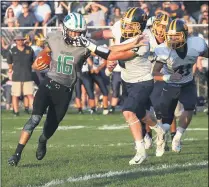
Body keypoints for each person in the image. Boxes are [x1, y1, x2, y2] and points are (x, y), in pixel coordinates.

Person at [79, 7, 167, 165]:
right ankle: (159, 130)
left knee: (127, 112)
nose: (126, 27)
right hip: (129, 82)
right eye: (126, 24)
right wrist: (113, 59)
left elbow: (112, 52)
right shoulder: (130, 36)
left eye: (130, 25)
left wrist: (91, 46)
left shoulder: (144, 40)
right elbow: (113, 51)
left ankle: (141, 151)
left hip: (143, 81)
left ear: (139, 26)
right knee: (141, 113)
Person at [8, 12, 93, 166]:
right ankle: (17, 154)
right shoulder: (55, 39)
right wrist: (38, 62)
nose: (76, 35)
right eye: (73, 31)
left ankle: (42, 140)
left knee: (50, 127)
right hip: (48, 84)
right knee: (34, 119)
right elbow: (45, 52)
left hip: (65, 91)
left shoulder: (86, 46)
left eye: (79, 32)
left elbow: (104, 49)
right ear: (65, 29)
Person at [152, 19, 208, 153]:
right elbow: (154, 73)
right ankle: (160, 138)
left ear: (185, 34)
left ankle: (177, 137)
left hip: (187, 83)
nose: (173, 40)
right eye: (170, 36)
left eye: (176, 36)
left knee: (189, 108)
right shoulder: (163, 50)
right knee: (166, 120)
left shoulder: (196, 44)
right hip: (170, 84)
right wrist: (168, 77)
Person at [7, 33, 35, 116]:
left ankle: (34, 112)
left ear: (24, 40)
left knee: (30, 94)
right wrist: (11, 69)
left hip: (28, 75)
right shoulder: (12, 51)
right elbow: (9, 62)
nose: (20, 41)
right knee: (15, 95)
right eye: (18, 40)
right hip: (17, 76)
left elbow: (34, 61)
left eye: (21, 40)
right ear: (15, 41)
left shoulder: (30, 49)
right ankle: (16, 111)